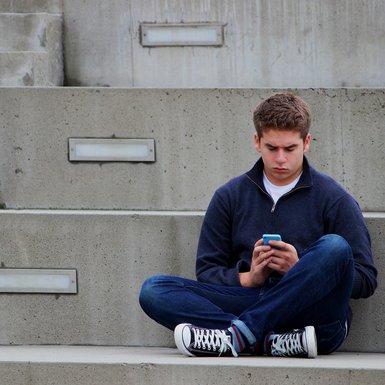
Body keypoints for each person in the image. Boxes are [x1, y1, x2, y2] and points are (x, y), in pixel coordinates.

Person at [139, 92, 377, 358]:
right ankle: (264, 341)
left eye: (290, 149)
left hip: (313, 315)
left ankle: (239, 335)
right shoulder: (229, 196)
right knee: (154, 290)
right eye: (271, 148)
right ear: (257, 142)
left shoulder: (334, 198)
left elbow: (365, 280)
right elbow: (207, 271)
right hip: (257, 303)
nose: (280, 159)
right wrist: (250, 277)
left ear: (306, 142)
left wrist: (300, 270)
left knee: (335, 247)